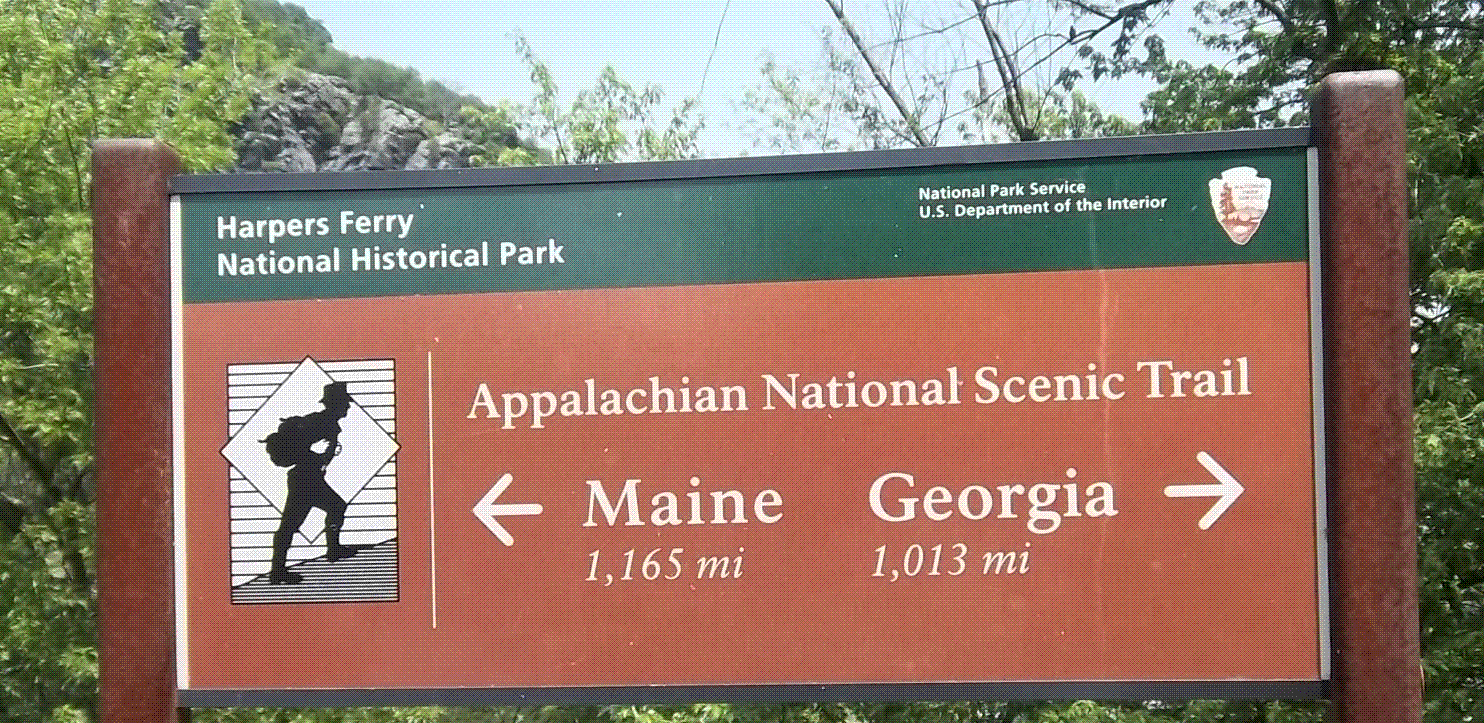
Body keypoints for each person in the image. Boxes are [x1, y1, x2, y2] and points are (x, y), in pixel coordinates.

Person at [265, 381, 361, 584]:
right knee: (290, 525)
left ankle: (333, 550)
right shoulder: (318, 422)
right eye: (345, 403)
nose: (348, 407)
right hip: (304, 480)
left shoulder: (328, 423)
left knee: (336, 507)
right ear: (335, 405)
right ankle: (278, 571)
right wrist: (315, 457)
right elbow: (298, 447)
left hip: (311, 478)